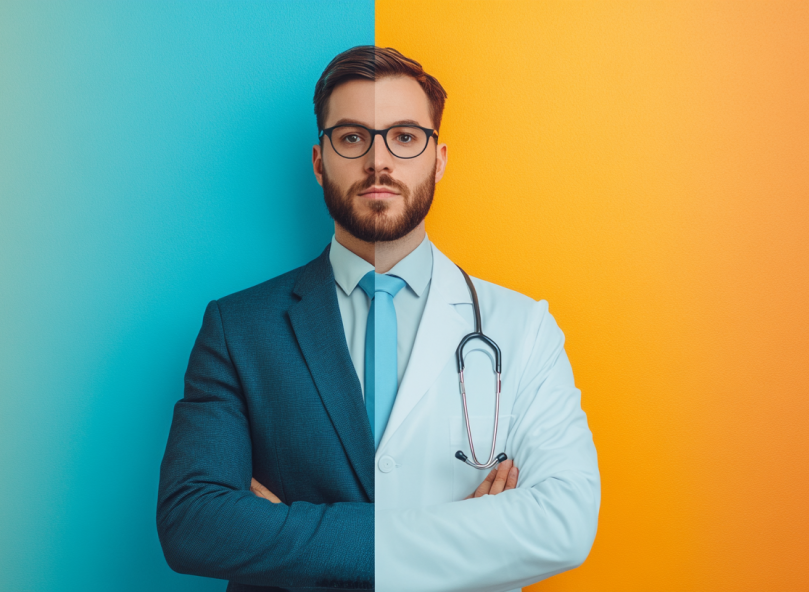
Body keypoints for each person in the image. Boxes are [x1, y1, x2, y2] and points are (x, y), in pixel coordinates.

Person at [157, 46, 600, 592]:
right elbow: (194, 522)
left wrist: (289, 531)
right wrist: (469, 532)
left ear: (438, 159)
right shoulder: (239, 327)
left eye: (405, 137)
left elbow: (566, 524)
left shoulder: (523, 328)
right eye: (351, 138)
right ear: (320, 162)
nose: (378, 162)